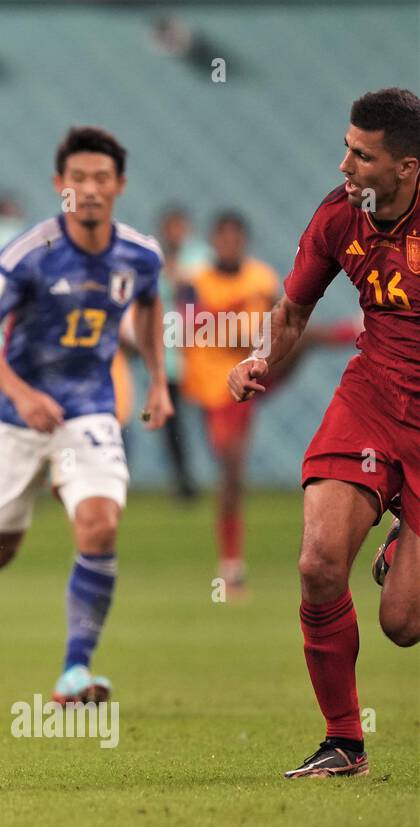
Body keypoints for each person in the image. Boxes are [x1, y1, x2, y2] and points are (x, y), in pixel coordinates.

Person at [228, 87, 420, 778]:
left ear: (407, 166)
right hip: (371, 400)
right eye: (346, 146)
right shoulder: (341, 214)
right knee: (317, 563)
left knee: (403, 624)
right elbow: (293, 308)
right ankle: (345, 742)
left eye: (362, 155)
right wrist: (259, 358)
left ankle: (404, 542)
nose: (345, 164)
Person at [0, 126, 173, 704]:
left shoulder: (141, 255)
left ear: (119, 185)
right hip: (14, 415)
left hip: (89, 409)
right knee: (2, 544)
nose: (90, 189)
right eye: (78, 179)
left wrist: (158, 380)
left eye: (102, 178)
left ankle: (75, 672)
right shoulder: (27, 255)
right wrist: (21, 393)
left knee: (100, 523)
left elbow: (149, 310)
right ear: (60, 185)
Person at [182, 212, 278, 593]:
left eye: (235, 237)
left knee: (233, 469)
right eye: (222, 238)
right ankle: (231, 561)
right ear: (213, 242)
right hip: (211, 384)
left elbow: (277, 326)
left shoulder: (262, 279)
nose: (228, 244)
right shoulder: (195, 281)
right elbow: (191, 326)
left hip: (249, 380)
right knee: (229, 468)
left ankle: (232, 564)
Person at [157, 205, 211, 499]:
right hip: (170, 355)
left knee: (209, 414)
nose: (175, 233)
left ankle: (222, 469)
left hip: (201, 353)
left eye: (179, 226)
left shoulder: (200, 256)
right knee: (171, 419)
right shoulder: (156, 259)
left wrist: (175, 274)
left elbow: (198, 287)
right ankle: (183, 480)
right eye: (170, 227)